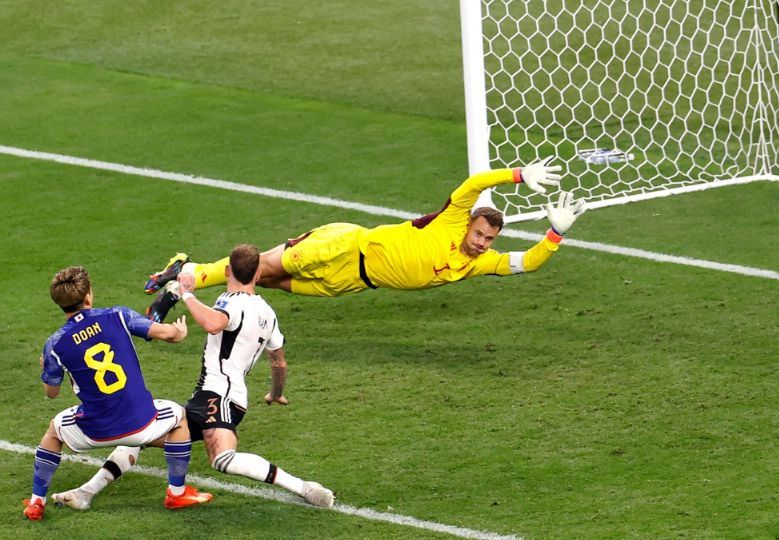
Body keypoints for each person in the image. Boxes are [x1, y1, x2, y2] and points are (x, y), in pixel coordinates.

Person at [52, 245, 335, 511]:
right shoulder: (269, 315)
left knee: (222, 459)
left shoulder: (233, 303)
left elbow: (214, 323)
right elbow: (279, 362)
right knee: (139, 433)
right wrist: (276, 393)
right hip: (217, 397)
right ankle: (84, 493)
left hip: (218, 396)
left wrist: (186, 294)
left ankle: (304, 488)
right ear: (259, 274)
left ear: (226, 271)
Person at [144, 158, 587, 321]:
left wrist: (554, 235)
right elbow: (474, 183)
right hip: (344, 244)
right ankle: (184, 282)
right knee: (257, 267)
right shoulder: (451, 221)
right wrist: (518, 176)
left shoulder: (476, 263)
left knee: (268, 283)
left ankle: (182, 272)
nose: (483, 244)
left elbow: (525, 263)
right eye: (480, 234)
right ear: (469, 225)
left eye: (489, 240)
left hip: (352, 282)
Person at [23, 266, 213, 521]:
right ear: (88, 295)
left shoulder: (55, 343)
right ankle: (177, 492)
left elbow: (52, 392)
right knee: (178, 416)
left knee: (53, 433)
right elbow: (168, 334)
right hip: (142, 422)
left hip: (94, 431)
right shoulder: (116, 316)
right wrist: (179, 331)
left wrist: (45, 367)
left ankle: (36, 502)